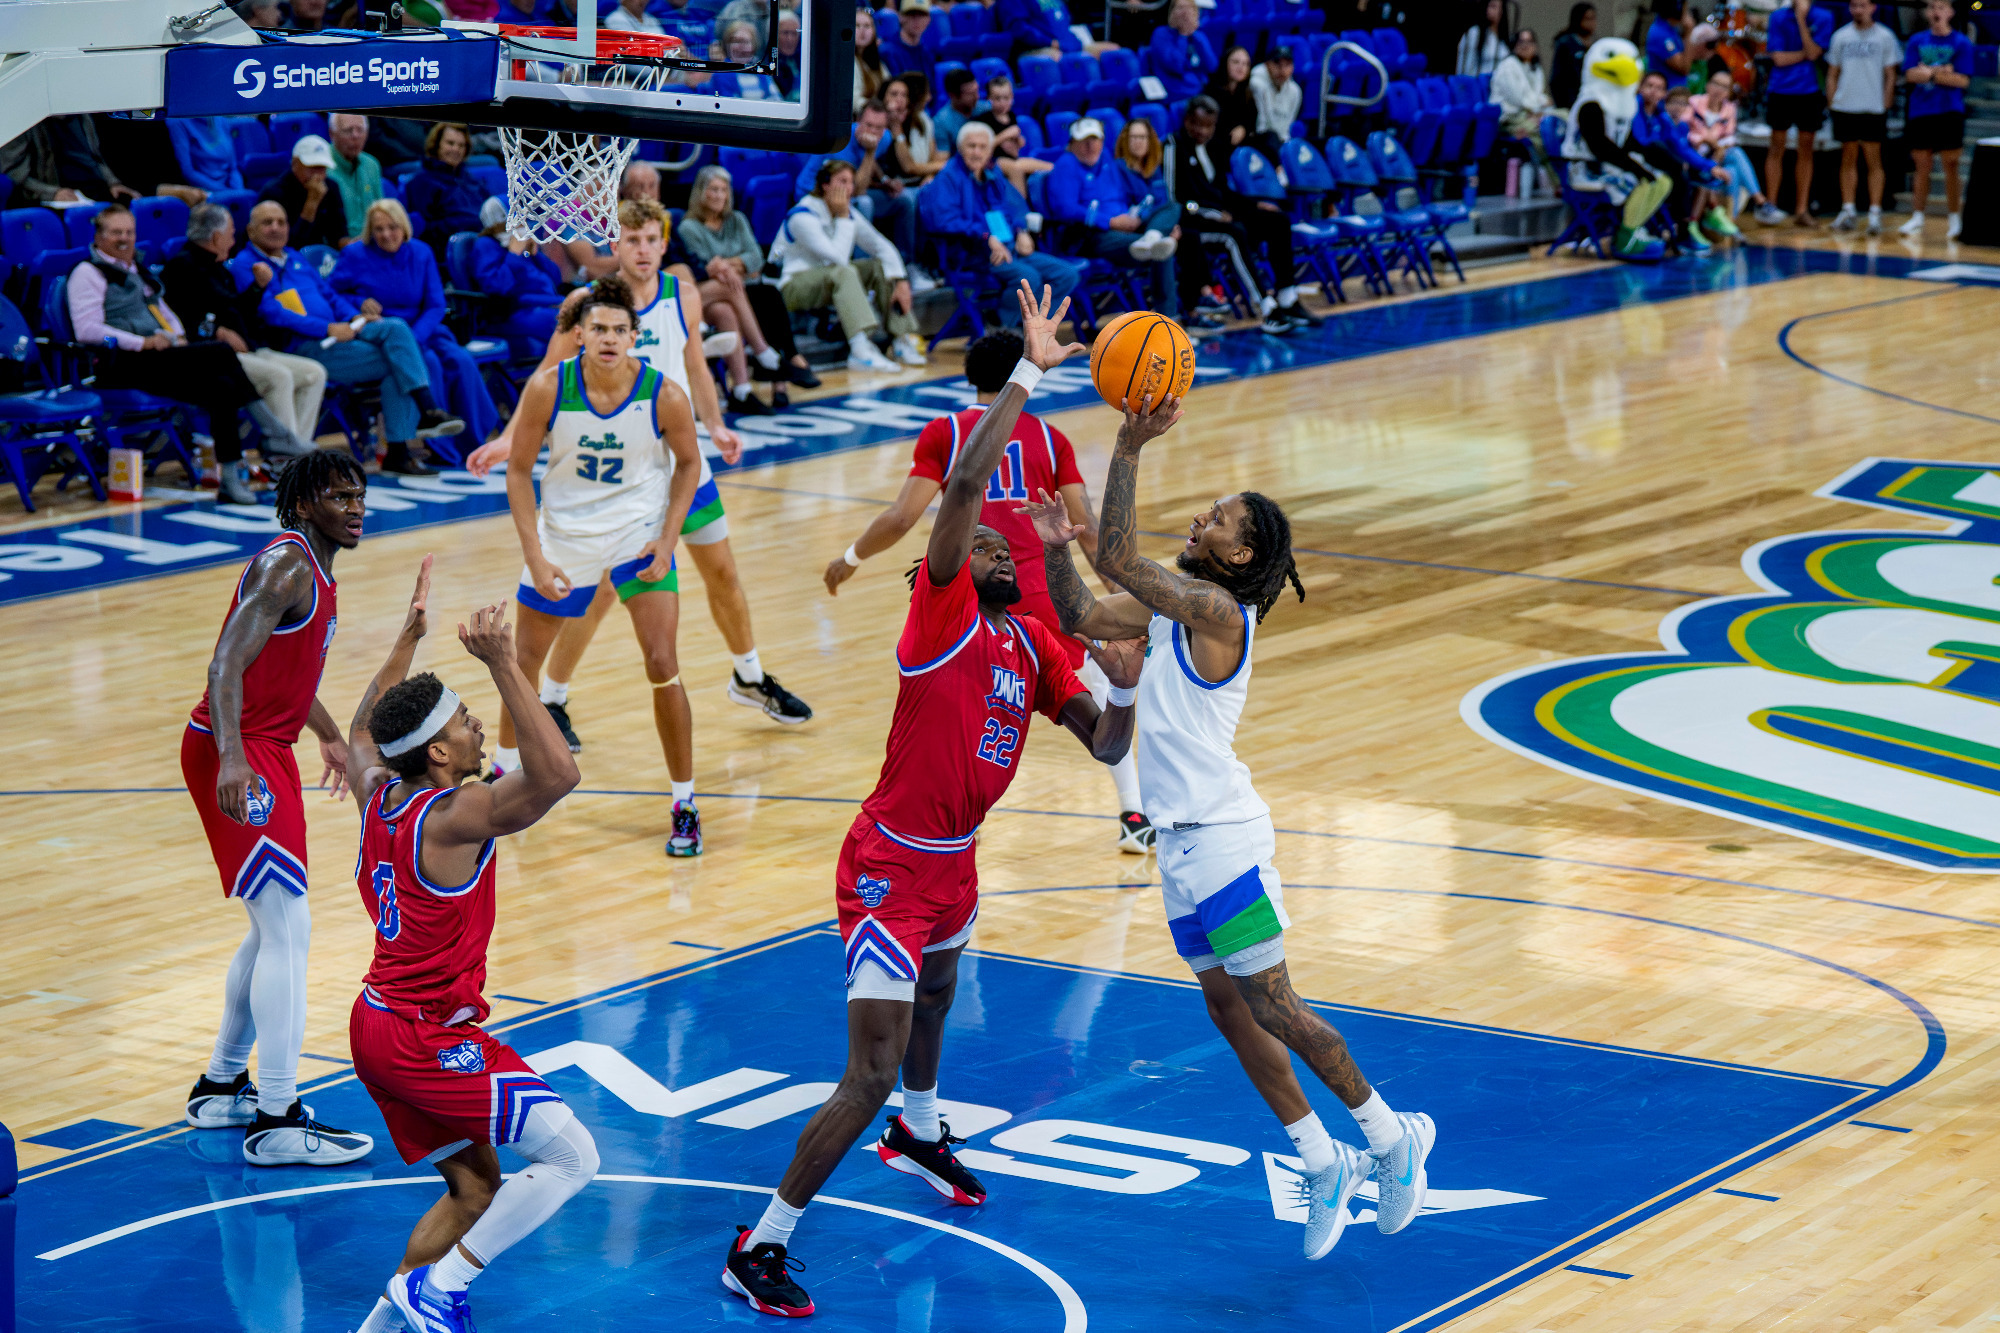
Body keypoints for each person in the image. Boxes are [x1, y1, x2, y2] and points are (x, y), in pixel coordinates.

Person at [720, 284, 1144, 1319]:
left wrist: (1125, 683)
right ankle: (760, 1241)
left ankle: (919, 1123)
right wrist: (1029, 376)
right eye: (985, 547)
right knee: (860, 1070)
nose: (997, 549)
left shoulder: (1033, 642)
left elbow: (1104, 746)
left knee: (941, 995)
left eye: (1007, 548)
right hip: (884, 863)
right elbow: (959, 488)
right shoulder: (939, 616)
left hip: (953, 858)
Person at [1030, 382, 1437, 1268]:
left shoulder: (1220, 615)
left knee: (1276, 1003)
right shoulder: (1177, 609)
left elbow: (1128, 562)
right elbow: (1086, 612)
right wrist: (1061, 548)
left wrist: (1129, 446)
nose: (1202, 520)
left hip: (1222, 843)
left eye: (1217, 518)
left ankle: (1389, 1134)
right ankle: (1320, 1156)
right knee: (1229, 1007)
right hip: (1181, 846)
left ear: (1243, 551)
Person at [475, 198, 815, 773]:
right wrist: (512, 438)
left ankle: (750, 675)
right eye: (627, 240)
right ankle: (554, 696)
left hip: (678, 462)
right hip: (620, 476)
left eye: (648, 240)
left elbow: (695, 367)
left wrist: (714, 426)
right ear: (616, 245)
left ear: (661, 243)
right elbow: (545, 377)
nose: (639, 250)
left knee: (723, 572)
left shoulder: (682, 294)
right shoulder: (588, 304)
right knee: (604, 590)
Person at [340, 574, 596, 1333]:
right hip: (426, 1036)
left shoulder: (378, 790)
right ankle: (439, 1288)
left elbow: (362, 733)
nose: (480, 724)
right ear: (442, 754)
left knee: (476, 1189)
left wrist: (409, 639)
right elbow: (558, 774)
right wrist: (502, 662)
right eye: (465, 721)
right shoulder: (454, 817)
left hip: (375, 1025)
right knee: (573, 1158)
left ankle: (380, 1328)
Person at [824, 328, 1154, 852]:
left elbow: (903, 515)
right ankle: (1133, 812)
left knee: (957, 704)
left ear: (971, 374)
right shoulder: (1050, 438)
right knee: (1100, 682)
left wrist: (851, 558)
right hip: (1043, 591)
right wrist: (1126, 603)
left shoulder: (946, 432)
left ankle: (949, 814)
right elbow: (1086, 526)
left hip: (968, 595)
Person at [179, 452, 377, 1167]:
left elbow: (283, 665)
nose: (355, 506)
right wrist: (232, 755)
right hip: (239, 748)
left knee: (274, 927)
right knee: (288, 923)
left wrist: (324, 730)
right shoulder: (286, 567)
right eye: (339, 496)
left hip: (265, 744)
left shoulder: (317, 567)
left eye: (360, 494)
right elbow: (225, 665)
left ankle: (221, 1085)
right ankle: (278, 1117)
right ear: (301, 505)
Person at [500, 278, 708, 857]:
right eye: (599, 329)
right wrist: (534, 557)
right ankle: (501, 779)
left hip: (637, 534)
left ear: (634, 336)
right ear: (579, 336)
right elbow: (518, 474)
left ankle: (685, 803)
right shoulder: (548, 387)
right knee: (522, 663)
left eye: (620, 329)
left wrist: (668, 539)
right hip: (566, 536)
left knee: (663, 661)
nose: (610, 338)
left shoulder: (664, 394)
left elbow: (689, 465)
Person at [232, 200, 465, 476]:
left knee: (394, 327)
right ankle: (418, 423)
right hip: (304, 345)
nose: (276, 228)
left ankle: (408, 440)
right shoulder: (247, 265)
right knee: (398, 362)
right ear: (250, 230)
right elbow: (273, 314)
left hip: (340, 332)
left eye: (281, 222)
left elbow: (330, 295)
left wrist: (355, 318)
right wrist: (327, 328)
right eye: (267, 223)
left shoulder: (295, 258)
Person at [68, 205, 265, 503]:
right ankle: (272, 429)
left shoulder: (138, 269)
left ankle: (228, 478)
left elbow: (164, 312)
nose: (124, 239)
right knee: (221, 350)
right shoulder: (87, 273)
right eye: (116, 232)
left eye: (129, 232)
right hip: (120, 364)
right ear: (98, 236)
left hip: (159, 361)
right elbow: (88, 331)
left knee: (221, 386)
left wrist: (177, 335)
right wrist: (139, 342)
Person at [331, 198, 499, 459]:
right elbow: (331, 294)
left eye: (392, 227)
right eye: (379, 229)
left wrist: (417, 336)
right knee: (429, 363)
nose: (386, 234)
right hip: (386, 333)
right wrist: (357, 303)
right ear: (369, 232)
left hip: (424, 328)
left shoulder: (421, 252)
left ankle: (473, 443)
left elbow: (435, 304)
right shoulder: (354, 255)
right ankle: (439, 445)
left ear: (404, 227)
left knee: (461, 360)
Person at [162, 202, 329, 461]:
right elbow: (182, 320)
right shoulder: (181, 267)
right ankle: (283, 456)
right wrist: (216, 331)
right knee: (279, 377)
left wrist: (257, 288)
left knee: (313, 373)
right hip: (212, 357)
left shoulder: (219, 267)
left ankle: (296, 457)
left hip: (248, 348)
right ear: (216, 237)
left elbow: (238, 312)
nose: (233, 238)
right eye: (230, 232)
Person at [678, 164, 822, 413]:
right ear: (701, 192)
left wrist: (729, 264)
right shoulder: (688, 227)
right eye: (713, 189)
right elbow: (704, 267)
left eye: (723, 190)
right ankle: (765, 353)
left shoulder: (737, 220)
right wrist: (735, 265)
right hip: (699, 296)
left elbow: (756, 258)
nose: (719, 195)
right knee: (732, 285)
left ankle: (742, 390)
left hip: (727, 296)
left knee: (731, 310)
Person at [1165, 97, 1316, 333]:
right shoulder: (1173, 146)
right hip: (1192, 223)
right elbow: (1176, 200)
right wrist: (1211, 213)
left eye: (1209, 126)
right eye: (1199, 125)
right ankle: (1267, 308)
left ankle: (1288, 297)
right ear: (1187, 122)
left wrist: (1253, 206)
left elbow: (1224, 193)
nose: (1203, 131)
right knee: (1234, 234)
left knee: (1277, 221)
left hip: (1221, 216)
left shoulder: (1214, 147)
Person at [776, 159, 927, 371]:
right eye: (842, 181)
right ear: (825, 185)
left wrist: (900, 280)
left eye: (851, 183)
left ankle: (900, 339)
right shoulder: (802, 216)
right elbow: (837, 258)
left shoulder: (847, 213)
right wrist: (844, 218)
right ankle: (860, 350)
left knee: (880, 266)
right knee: (844, 271)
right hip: (793, 287)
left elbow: (882, 247)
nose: (848, 188)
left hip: (829, 280)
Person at [919, 122, 1082, 317]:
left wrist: (1021, 231)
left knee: (1067, 275)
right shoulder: (947, 178)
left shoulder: (992, 173)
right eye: (972, 146)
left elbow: (1011, 207)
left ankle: (1034, 332)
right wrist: (986, 237)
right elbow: (944, 221)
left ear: (990, 150)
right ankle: (1006, 331)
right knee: (1027, 278)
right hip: (972, 253)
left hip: (1009, 247)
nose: (977, 152)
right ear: (961, 149)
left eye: (983, 147)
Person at [1046, 117, 1181, 315]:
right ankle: (1169, 318)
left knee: (1171, 208)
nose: (1090, 146)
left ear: (1102, 141)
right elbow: (1064, 209)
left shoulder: (1107, 160)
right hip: (1093, 235)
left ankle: (1153, 234)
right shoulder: (1066, 165)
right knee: (1161, 249)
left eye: (1095, 140)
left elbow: (1134, 196)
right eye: (1084, 141)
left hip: (1127, 226)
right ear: (1072, 143)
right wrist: (1109, 221)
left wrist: (1154, 222)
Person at [1561, 36, 1673, 261]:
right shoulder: (1590, 103)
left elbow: (1627, 142)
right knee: (1640, 180)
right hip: (1586, 167)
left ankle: (1633, 228)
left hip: (1610, 164)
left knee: (1662, 181)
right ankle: (1626, 237)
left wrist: (1646, 161)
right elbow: (1600, 146)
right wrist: (1636, 168)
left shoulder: (1623, 106)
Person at [795, 99, 919, 276]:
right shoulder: (842, 140)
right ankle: (861, 270)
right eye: (868, 125)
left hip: (848, 190)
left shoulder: (884, 138)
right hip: (815, 195)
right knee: (865, 202)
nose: (873, 132)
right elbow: (855, 190)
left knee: (904, 200)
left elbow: (867, 164)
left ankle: (905, 266)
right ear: (858, 122)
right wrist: (870, 152)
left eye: (879, 128)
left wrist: (884, 181)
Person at [1630, 70, 1731, 252]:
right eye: (1649, 86)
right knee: (1678, 170)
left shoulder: (1662, 117)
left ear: (1663, 94)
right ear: (1640, 88)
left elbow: (1680, 147)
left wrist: (1711, 166)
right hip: (1638, 162)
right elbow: (1642, 143)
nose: (1653, 91)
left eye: (1659, 88)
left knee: (1694, 172)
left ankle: (1695, 222)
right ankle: (1686, 229)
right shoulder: (1634, 109)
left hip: (1660, 164)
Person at [1898, 0, 1973, 240]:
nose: (1936, 12)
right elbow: (1909, 74)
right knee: (1922, 165)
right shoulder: (1917, 40)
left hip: (1950, 110)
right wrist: (1942, 73)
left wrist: (1929, 73)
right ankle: (1917, 216)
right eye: (1932, 7)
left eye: (1941, 7)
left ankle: (1954, 218)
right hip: (1921, 110)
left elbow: (1962, 81)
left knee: (1951, 165)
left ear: (1950, 12)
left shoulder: (1961, 42)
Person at [1824, 0, 1898, 235]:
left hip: (1872, 107)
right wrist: (1832, 101)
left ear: (1873, 7)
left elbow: (1890, 74)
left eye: (1862, 5)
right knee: (1847, 159)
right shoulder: (1841, 36)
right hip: (1846, 106)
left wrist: (1885, 102)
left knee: (1874, 161)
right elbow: (1832, 72)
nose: (1858, 10)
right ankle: (1848, 209)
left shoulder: (1884, 37)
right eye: (1854, 5)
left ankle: (1875, 213)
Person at [1759, 0, 1832, 228]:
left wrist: (1801, 20)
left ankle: (1801, 209)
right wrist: (1805, 53)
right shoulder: (1778, 17)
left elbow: (1815, 53)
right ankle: (1770, 204)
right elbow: (1778, 58)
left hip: (1808, 90)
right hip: (1780, 88)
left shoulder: (1823, 17)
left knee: (1806, 148)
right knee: (1776, 146)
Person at [468, 197, 566, 358]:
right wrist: (514, 254)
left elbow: (555, 280)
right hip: (514, 312)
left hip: (549, 305)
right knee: (569, 323)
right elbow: (497, 287)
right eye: (519, 219)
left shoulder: (523, 245)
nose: (524, 223)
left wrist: (535, 253)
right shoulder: (485, 245)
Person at [0, 114, 137, 206]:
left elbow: (96, 158)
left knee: (138, 208)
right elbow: (13, 173)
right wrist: (52, 193)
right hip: (57, 193)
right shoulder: (22, 119)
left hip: (97, 189)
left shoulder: (83, 116)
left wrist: (113, 183)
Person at [402, 123, 487, 259]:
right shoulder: (422, 182)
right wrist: (463, 223)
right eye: (450, 143)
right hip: (454, 250)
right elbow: (425, 228)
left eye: (461, 145)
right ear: (436, 145)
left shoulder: (471, 180)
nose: (456, 149)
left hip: (483, 241)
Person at [256, 134, 352, 251]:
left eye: (322, 168)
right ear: (295, 164)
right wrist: (312, 203)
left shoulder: (331, 187)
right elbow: (287, 245)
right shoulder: (274, 193)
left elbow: (339, 233)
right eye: (312, 167)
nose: (317, 176)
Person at [972, 75, 1053, 195]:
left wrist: (1019, 141)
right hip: (992, 161)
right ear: (989, 98)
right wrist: (1004, 136)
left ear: (1012, 97)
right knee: (1015, 168)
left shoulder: (1011, 116)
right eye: (997, 98)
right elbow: (983, 148)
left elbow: (1014, 150)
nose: (1002, 102)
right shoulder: (985, 119)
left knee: (1050, 167)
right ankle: (1022, 208)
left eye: (1006, 98)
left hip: (1014, 159)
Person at [327, 113, 386, 241]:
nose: (355, 136)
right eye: (348, 131)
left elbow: (381, 211)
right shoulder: (323, 168)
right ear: (332, 133)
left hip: (374, 243)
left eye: (360, 130)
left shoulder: (372, 165)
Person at [886, 75, 949, 189]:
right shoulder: (884, 124)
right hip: (901, 186)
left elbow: (933, 157)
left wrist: (929, 175)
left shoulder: (923, 119)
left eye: (904, 95)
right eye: (894, 94)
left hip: (922, 180)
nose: (929, 98)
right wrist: (944, 165)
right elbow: (909, 168)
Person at [1146, 0, 1218, 101]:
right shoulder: (1161, 34)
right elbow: (1176, 67)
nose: (1185, 12)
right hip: (1174, 92)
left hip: (1199, 92)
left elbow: (1211, 67)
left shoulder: (1199, 36)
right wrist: (1183, 36)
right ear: (1171, 12)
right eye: (1180, 8)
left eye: (1189, 8)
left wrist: (1196, 37)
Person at [1491, 28, 1553, 140]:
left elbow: (1536, 95)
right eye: (1521, 42)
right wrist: (1540, 106)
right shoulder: (1508, 66)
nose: (1525, 45)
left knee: (1564, 118)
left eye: (1529, 41)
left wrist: (1538, 110)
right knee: (1542, 130)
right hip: (1510, 117)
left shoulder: (1535, 67)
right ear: (1514, 45)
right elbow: (1518, 99)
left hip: (1530, 113)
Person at [1247, 46, 1301, 162]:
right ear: (1267, 64)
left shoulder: (1295, 91)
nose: (1282, 70)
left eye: (1287, 65)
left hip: (1280, 142)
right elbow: (1262, 126)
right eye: (1277, 64)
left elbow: (1287, 125)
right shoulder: (1257, 84)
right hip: (1260, 140)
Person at [168, 116, 245, 192]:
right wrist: (225, 193)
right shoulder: (177, 121)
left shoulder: (220, 118)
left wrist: (238, 192)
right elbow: (188, 172)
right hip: (203, 193)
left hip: (231, 189)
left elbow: (233, 167)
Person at [1204, 46, 1257, 150]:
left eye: (1245, 64)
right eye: (1236, 62)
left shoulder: (1246, 93)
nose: (1241, 67)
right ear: (1225, 63)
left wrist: (1243, 129)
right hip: (1218, 144)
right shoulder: (1212, 91)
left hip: (1241, 143)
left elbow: (1252, 120)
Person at [881, 0, 940, 89]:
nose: (917, 20)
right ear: (901, 17)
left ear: (928, 19)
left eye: (921, 15)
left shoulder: (927, 54)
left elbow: (931, 91)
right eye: (911, 14)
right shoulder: (887, 51)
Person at [1551, 2, 1596, 108]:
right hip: (1569, 101)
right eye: (1587, 19)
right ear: (1578, 19)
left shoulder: (1596, 44)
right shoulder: (1566, 43)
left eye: (1593, 18)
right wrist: (1562, 104)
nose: (1592, 23)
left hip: (1590, 98)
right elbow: (1556, 79)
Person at [1642, 0, 1692, 89]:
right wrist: (1689, 33)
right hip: (1667, 95)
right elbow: (1684, 68)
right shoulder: (1661, 34)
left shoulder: (1671, 28)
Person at [933, 67, 985, 153]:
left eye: (976, 91)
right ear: (953, 96)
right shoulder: (941, 122)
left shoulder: (985, 109)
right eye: (970, 94)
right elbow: (943, 158)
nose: (977, 97)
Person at [1457, 0, 1507, 76]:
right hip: (1477, 83)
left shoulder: (1502, 38)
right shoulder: (1474, 33)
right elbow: (1466, 66)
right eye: (1492, 6)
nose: (1492, 10)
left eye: (1497, 7)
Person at [854, 5, 889, 108]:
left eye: (867, 26)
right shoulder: (848, 62)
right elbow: (854, 99)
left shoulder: (879, 64)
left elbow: (889, 87)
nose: (862, 31)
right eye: (857, 25)